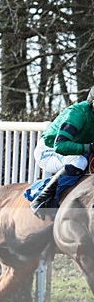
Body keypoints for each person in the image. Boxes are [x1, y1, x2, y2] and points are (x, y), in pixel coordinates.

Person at [30, 86, 94, 217]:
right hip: (49, 150)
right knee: (79, 161)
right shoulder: (77, 113)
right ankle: (42, 199)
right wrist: (90, 147)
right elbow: (60, 146)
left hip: (73, 149)